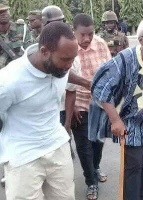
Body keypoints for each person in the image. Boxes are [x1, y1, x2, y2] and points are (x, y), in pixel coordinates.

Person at [89, 15, 143, 200]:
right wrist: (115, 120)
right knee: (134, 167)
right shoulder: (125, 60)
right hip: (129, 124)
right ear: (141, 40)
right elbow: (99, 87)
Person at [0, 21, 77, 200]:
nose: (69, 65)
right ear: (44, 52)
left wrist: (86, 82)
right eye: (66, 60)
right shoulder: (8, 81)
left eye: (73, 58)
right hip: (23, 157)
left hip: (57, 147)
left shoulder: (59, 67)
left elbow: (66, 74)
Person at [67, 13, 111, 200]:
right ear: (73, 31)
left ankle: (95, 167)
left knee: (98, 141)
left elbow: (110, 71)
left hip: (100, 103)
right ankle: (91, 181)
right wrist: (72, 105)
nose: (86, 39)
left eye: (90, 34)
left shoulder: (100, 44)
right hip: (78, 104)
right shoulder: (67, 47)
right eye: (82, 35)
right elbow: (62, 79)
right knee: (84, 145)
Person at [0, 2, 32, 68]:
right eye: (0, 12)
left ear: (10, 13)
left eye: (5, 11)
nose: (3, 14)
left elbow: (31, 52)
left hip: (20, 71)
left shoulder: (22, 29)